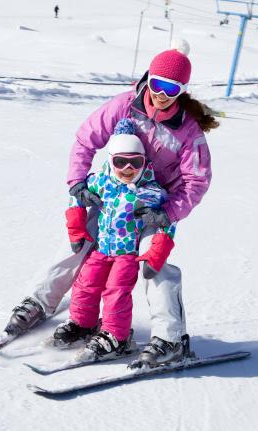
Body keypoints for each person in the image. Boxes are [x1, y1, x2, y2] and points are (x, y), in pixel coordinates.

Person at [5, 41, 219, 367]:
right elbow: (86, 138)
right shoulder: (124, 106)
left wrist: (167, 212)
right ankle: (40, 302)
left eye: (171, 88)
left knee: (154, 264)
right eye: (157, 84)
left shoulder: (187, 131)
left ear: (182, 90)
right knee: (78, 243)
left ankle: (170, 338)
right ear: (148, 78)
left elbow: (197, 180)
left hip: (153, 206)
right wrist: (78, 182)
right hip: (113, 196)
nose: (162, 94)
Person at [55, 118, 176, 359]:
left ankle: (117, 336)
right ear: (111, 161)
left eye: (135, 162)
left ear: (144, 162)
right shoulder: (100, 182)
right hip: (101, 249)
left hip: (127, 254)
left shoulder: (149, 191)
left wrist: (158, 248)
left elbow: (166, 220)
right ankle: (83, 324)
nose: (128, 169)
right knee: (85, 284)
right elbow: (76, 195)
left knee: (116, 291)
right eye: (121, 162)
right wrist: (76, 225)